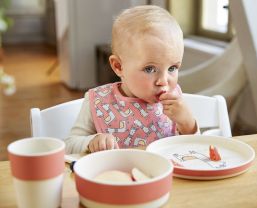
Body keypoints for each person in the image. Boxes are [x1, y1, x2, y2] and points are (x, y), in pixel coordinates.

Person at [65, 5, 199, 154]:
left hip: (166, 176)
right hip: (117, 176)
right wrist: (92, 141)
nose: (163, 80)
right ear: (118, 66)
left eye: (172, 68)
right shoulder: (97, 101)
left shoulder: (175, 101)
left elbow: (194, 149)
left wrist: (188, 124)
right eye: (150, 69)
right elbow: (69, 145)